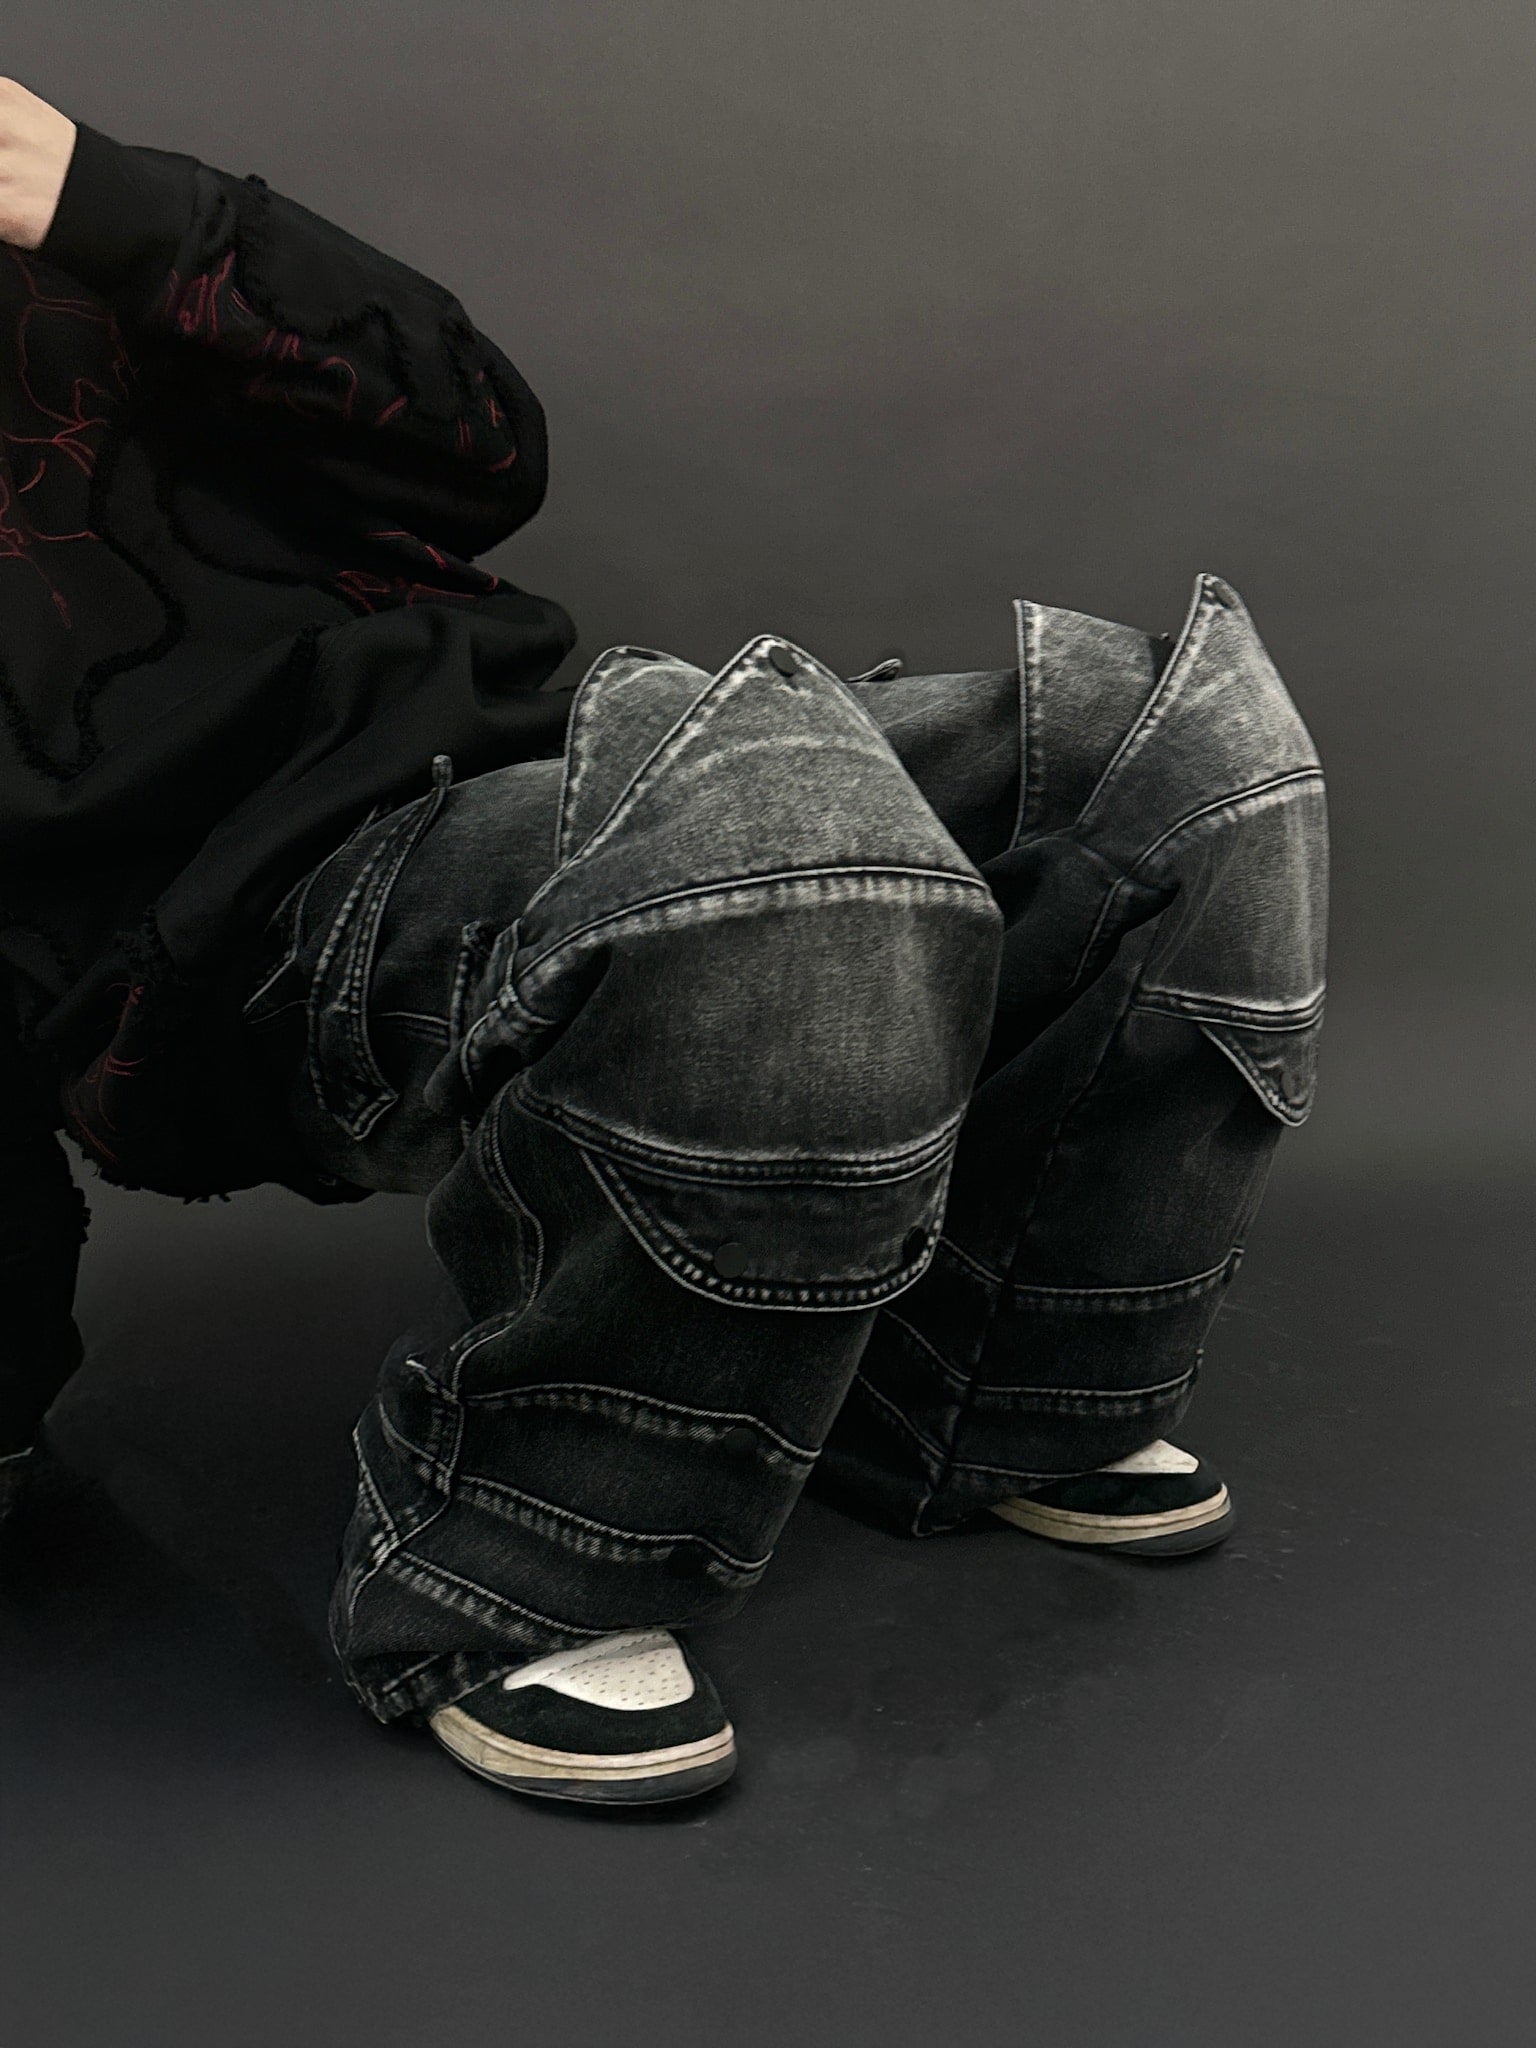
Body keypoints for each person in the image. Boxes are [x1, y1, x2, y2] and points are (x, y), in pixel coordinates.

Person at [0, 78, 1327, 1806]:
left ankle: (1002, 1394)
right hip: (239, 944)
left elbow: (480, 443)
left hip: (524, 762)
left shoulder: (75, 255)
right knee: (780, 859)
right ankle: (528, 1566)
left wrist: (109, 198)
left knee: (1178, 749)